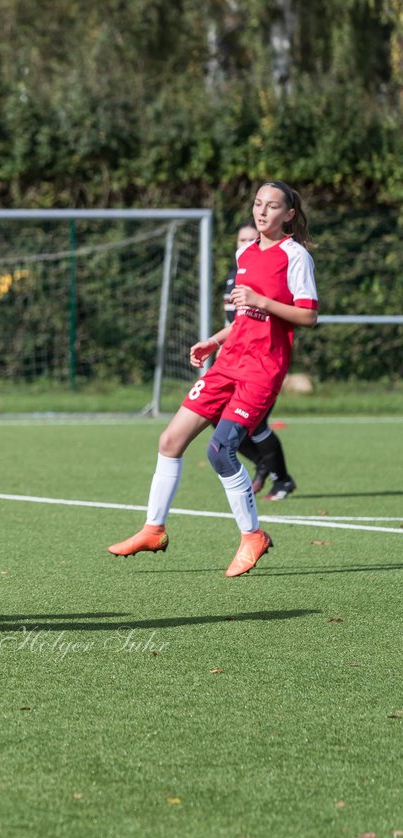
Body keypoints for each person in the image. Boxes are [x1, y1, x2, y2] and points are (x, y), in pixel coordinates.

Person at [108, 181, 318, 576]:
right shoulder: (244, 252)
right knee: (170, 440)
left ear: (289, 214)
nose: (262, 212)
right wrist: (213, 341)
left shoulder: (295, 256)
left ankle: (252, 536)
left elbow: (308, 315)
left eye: (272, 206)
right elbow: (244, 318)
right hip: (228, 361)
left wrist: (262, 301)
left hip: (261, 369)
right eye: (258, 204)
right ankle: (153, 529)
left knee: (220, 450)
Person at [223, 223, 299, 501]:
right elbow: (235, 322)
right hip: (233, 358)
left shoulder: (273, 269)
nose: (244, 244)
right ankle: (265, 465)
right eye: (240, 239)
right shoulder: (235, 274)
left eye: (249, 239)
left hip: (261, 361)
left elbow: (296, 314)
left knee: (254, 424)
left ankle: (280, 477)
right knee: (222, 421)